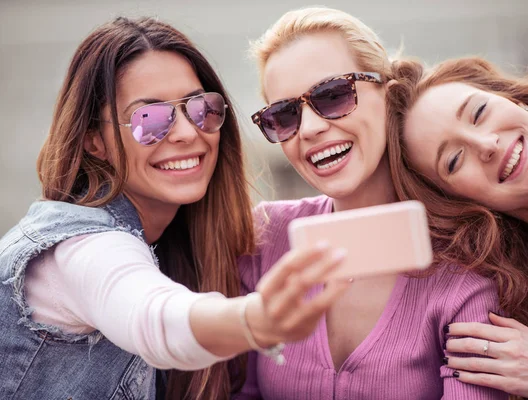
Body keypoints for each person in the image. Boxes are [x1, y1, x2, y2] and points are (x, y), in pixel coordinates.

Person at [0, 16, 352, 400]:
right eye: (149, 119)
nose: (187, 132)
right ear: (93, 141)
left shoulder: (182, 245)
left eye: (201, 109)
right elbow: (153, 316)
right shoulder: (80, 247)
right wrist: (256, 320)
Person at [234, 7, 523, 399]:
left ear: (388, 97)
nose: (311, 128)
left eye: (333, 95)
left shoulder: (466, 266)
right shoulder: (263, 239)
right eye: (283, 116)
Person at [385, 55, 528, 399]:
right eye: (454, 160)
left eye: (479, 113)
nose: (486, 145)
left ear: (516, 101)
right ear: (456, 199)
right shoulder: (526, 292)